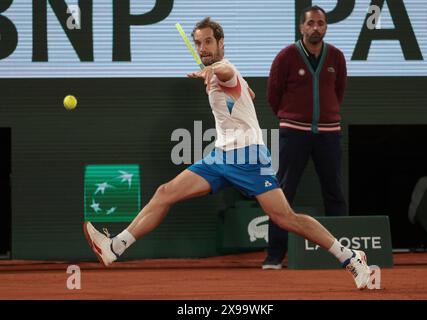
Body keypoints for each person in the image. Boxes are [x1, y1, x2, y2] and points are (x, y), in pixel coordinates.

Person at [83, 17, 370, 289]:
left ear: (221, 43)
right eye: (198, 43)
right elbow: (244, 92)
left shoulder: (224, 69)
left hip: (247, 158)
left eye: (208, 42)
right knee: (165, 192)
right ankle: (115, 247)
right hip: (220, 156)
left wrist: (212, 71)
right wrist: (232, 86)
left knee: (286, 218)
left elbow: (226, 73)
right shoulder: (228, 77)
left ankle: (349, 256)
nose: (203, 48)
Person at [263, 6, 348, 270]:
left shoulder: (336, 57)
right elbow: (273, 94)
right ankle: (275, 256)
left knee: (334, 192)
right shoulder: (286, 56)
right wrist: (290, 117)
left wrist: (326, 115)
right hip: (293, 132)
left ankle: (343, 255)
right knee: (283, 193)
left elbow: (338, 91)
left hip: (328, 133)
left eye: (320, 23)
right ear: (301, 27)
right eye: (310, 23)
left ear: (326, 27)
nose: (315, 28)